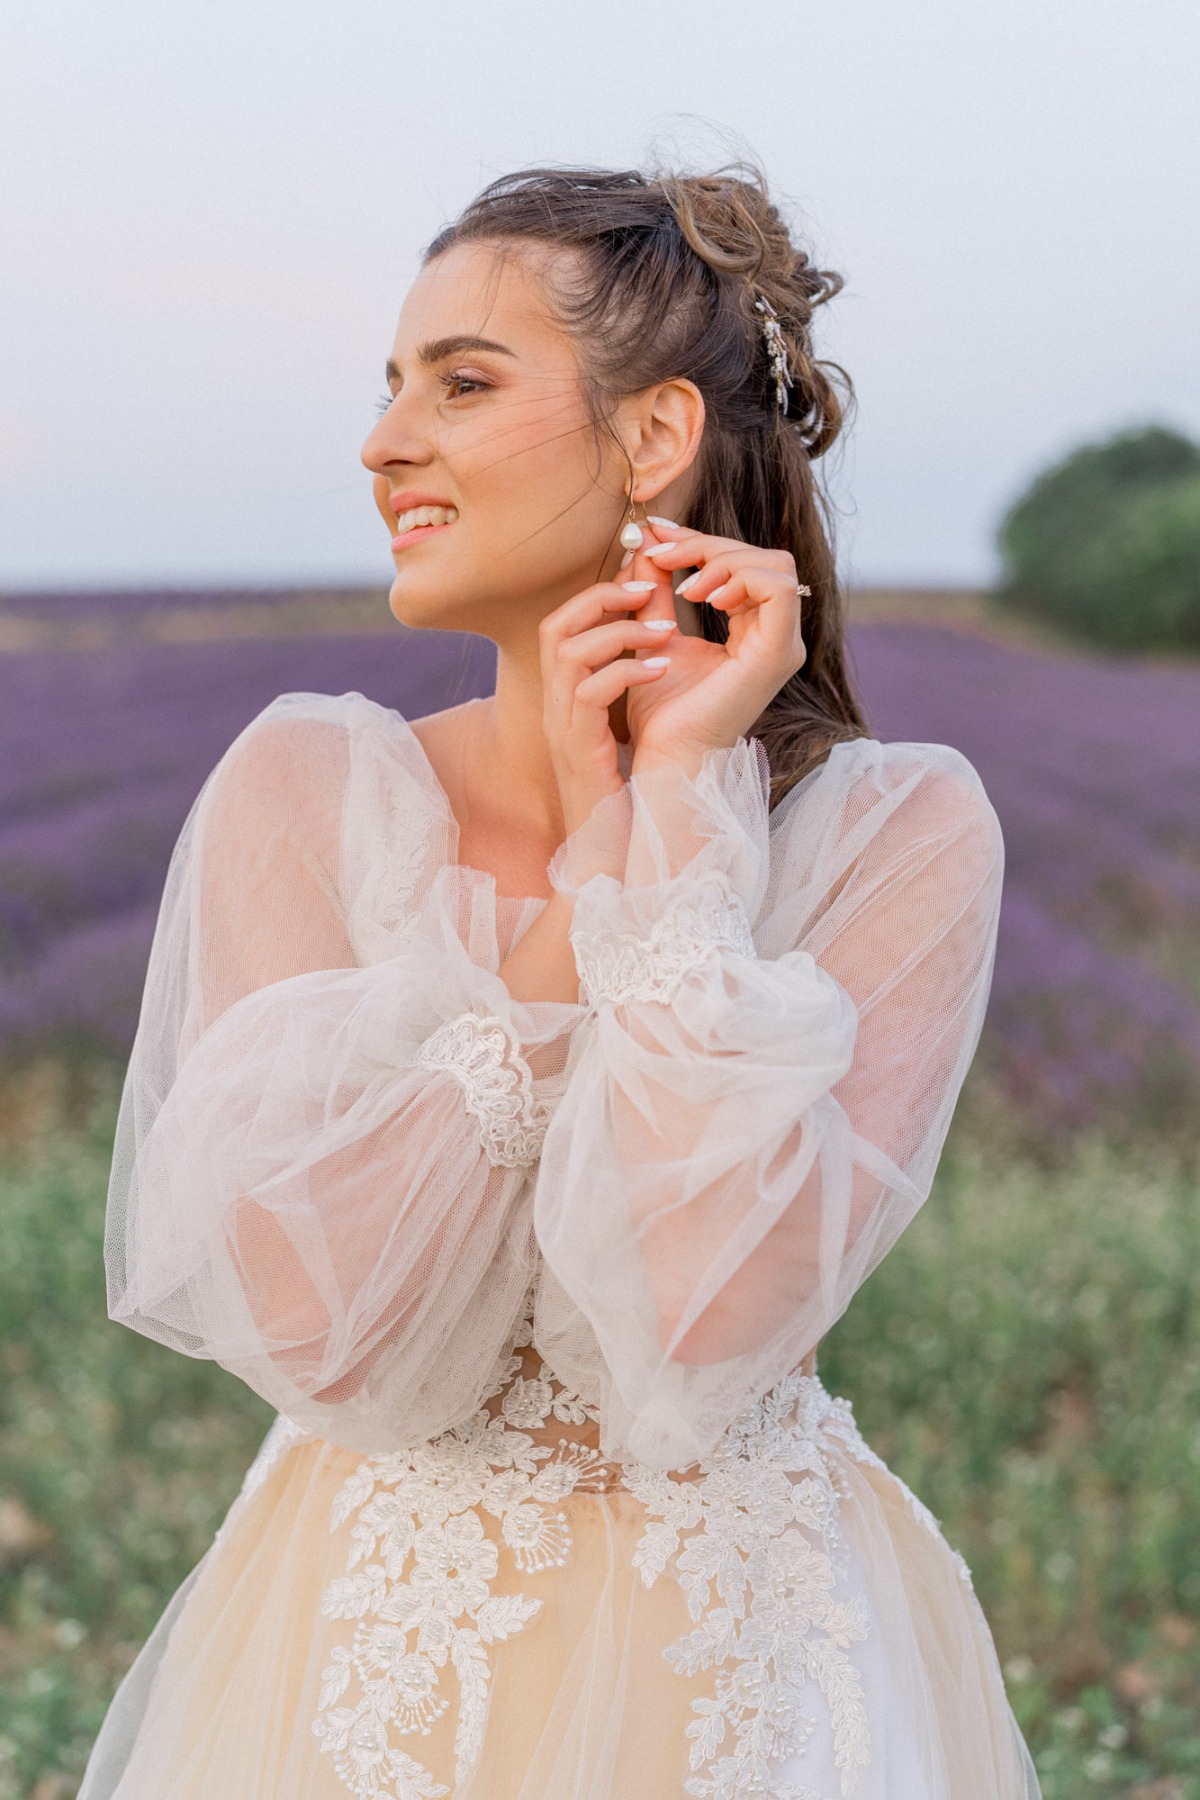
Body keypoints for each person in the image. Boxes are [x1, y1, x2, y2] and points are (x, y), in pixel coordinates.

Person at [80, 159, 1042, 1798]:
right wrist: (576, 911)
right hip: (369, 1654)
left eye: (462, 382)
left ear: (655, 435)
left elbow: (705, 1328)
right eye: (388, 388)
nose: (385, 442)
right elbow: (335, 1350)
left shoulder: (900, 833)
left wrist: (670, 829)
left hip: (742, 1650)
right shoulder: (305, 796)